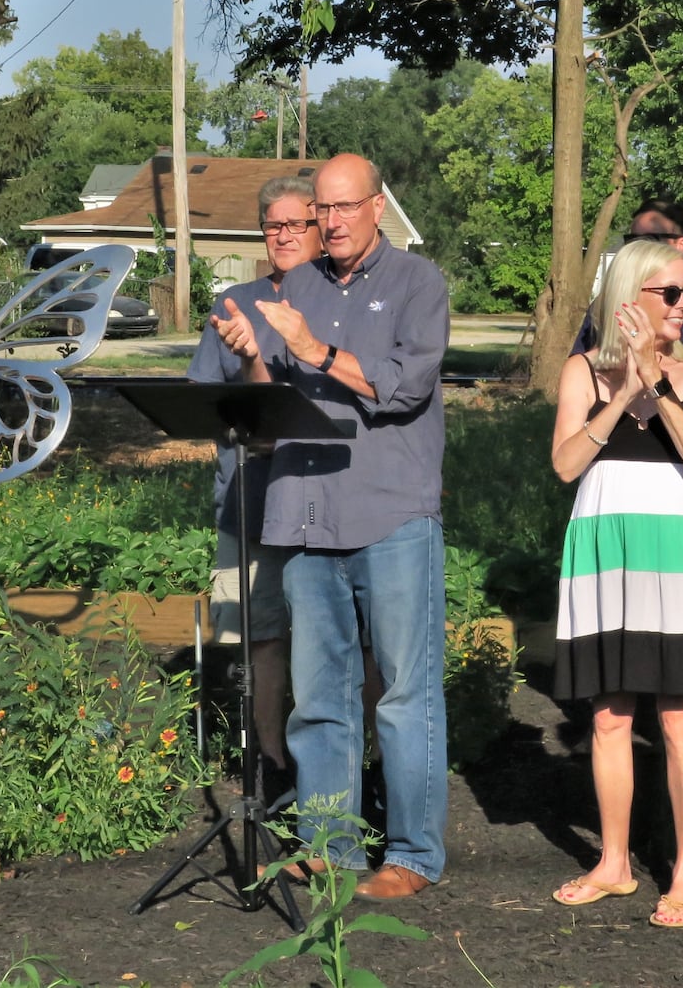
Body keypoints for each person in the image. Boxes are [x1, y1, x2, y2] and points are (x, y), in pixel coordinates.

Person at [242, 152, 450, 901]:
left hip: (389, 511)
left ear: (377, 206)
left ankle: (414, 854)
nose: (328, 223)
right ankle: (330, 844)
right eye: (319, 211)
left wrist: (315, 351)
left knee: (403, 692)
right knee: (320, 694)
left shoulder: (417, 284)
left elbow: (403, 387)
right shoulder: (295, 286)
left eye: (341, 208)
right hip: (304, 514)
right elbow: (267, 406)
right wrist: (250, 361)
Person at [549, 239, 683, 929]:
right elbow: (566, 465)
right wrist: (619, 393)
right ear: (630, 296)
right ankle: (614, 861)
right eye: (670, 293)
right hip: (606, 547)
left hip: (677, 549)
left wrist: (654, 384)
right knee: (609, 713)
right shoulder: (582, 371)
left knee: (681, 716)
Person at [189, 174, 324, 802]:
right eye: (275, 225)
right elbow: (201, 405)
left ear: (322, 227)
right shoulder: (232, 303)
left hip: (327, 508)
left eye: (299, 223)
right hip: (249, 504)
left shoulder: (341, 296)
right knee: (262, 638)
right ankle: (272, 767)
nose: (285, 235)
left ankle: (343, 769)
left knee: (336, 644)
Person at [574, 197, 683, 361]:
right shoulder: (607, 300)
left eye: (650, 240)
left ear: (681, 244)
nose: (639, 248)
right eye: (632, 240)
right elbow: (583, 364)